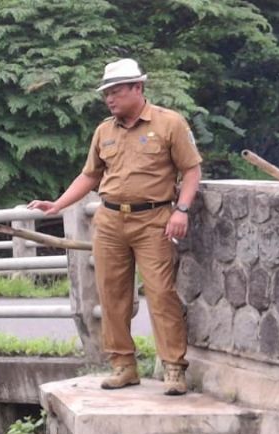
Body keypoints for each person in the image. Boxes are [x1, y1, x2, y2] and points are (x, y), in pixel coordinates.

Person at [28, 58, 201, 396]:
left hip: (154, 219)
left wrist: (182, 210)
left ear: (138, 88)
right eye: (107, 92)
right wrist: (58, 204)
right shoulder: (104, 130)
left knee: (161, 293)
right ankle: (122, 365)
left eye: (117, 91)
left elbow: (191, 170)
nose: (110, 98)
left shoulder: (170, 123)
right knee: (112, 294)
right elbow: (90, 175)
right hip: (109, 220)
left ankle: (173, 368)